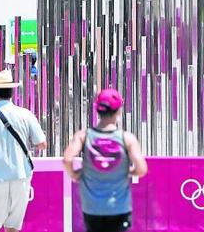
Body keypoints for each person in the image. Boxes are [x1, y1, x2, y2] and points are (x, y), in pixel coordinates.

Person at [0, 69, 47, 232]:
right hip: (21, 176)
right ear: (12, 91)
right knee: (13, 227)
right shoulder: (26, 114)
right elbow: (42, 143)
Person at [63, 88, 148, 232]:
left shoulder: (83, 136)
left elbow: (67, 159)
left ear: (97, 110)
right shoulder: (127, 138)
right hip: (118, 207)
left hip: (92, 207)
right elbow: (141, 169)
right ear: (119, 111)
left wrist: (75, 174)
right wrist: (127, 172)